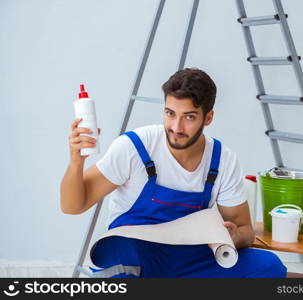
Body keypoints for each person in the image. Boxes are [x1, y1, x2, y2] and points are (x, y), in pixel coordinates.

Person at [60, 68, 287, 278]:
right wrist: (75, 163)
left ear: (208, 118)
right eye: (170, 113)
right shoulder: (134, 148)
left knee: (269, 266)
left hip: (191, 257)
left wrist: (228, 237)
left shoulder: (222, 160)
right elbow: (72, 206)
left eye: (188, 117)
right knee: (120, 252)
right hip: (137, 254)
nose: (176, 127)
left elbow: (245, 230)